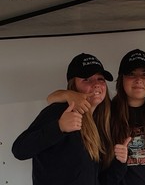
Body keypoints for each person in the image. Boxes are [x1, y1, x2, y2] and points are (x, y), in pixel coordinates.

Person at [47, 49, 145, 185]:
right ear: (121, 80)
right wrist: (68, 94)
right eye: (131, 74)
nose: (139, 80)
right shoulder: (107, 110)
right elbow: (51, 98)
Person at [12, 53, 116, 185]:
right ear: (73, 85)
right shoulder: (59, 111)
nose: (96, 84)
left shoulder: (101, 117)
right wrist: (59, 127)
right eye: (87, 79)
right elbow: (20, 150)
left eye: (100, 79)